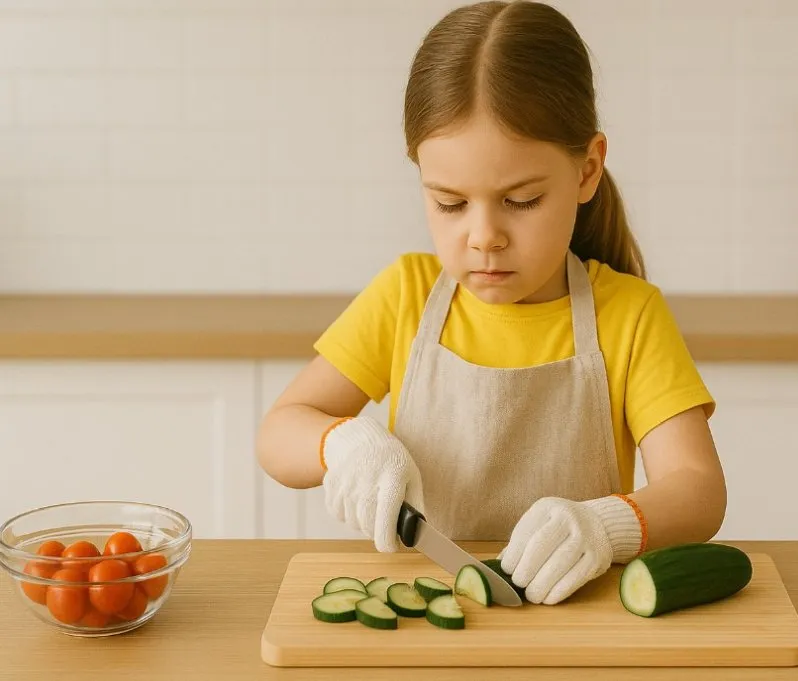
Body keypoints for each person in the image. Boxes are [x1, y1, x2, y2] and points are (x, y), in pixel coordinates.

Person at [257, 0, 726, 606]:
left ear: (587, 170)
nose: (483, 236)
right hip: (430, 612)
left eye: (522, 200)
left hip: (576, 622)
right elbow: (278, 433)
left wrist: (604, 528)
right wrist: (342, 443)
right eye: (450, 204)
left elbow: (698, 490)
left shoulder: (629, 315)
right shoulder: (405, 295)